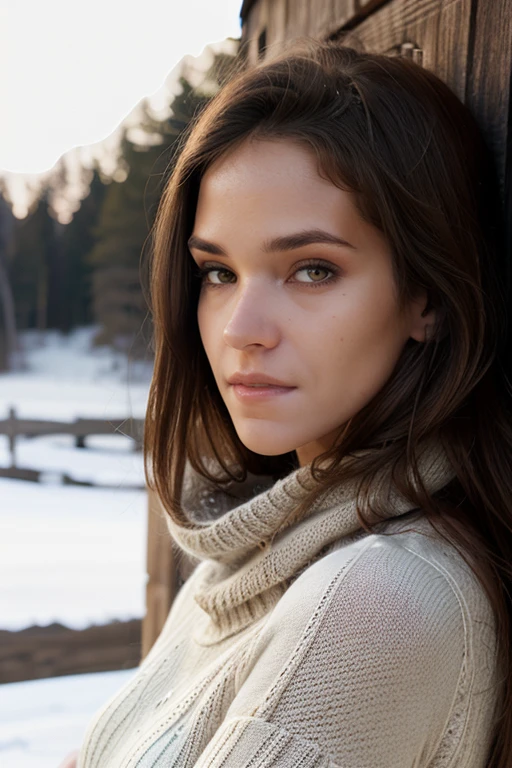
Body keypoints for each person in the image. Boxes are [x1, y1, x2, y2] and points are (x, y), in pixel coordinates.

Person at [63, 36, 512, 768]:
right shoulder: (240, 568)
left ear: (426, 295)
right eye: (217, 272)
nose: (241, 329)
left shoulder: (378, 601)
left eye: (311, 269)